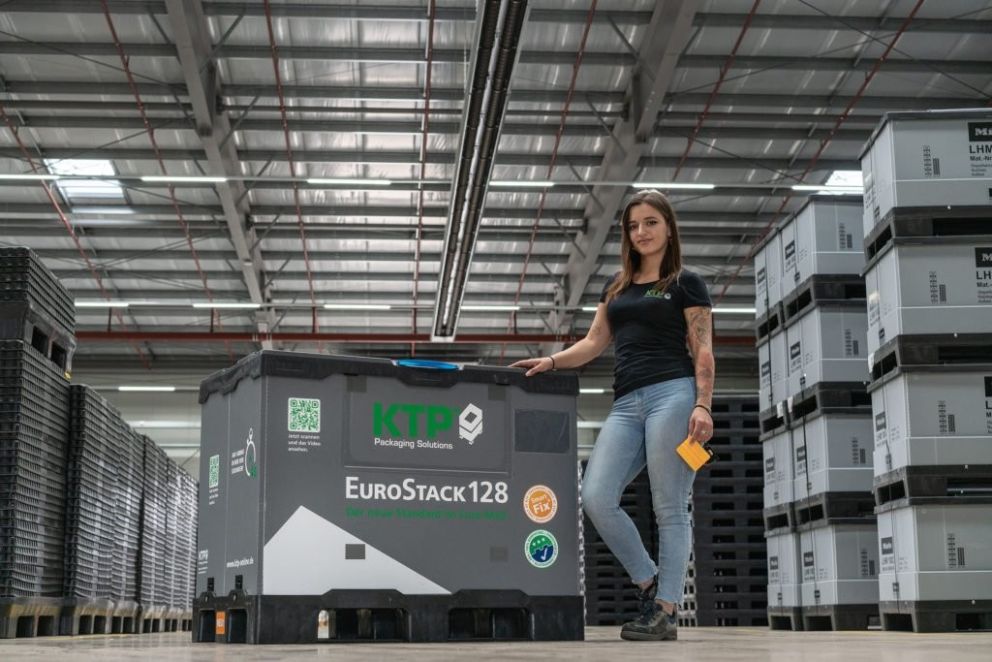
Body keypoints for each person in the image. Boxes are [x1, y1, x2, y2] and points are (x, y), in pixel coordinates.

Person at [511, 189, 715, 641]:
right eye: (633, 225)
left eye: (650, 223)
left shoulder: (686, 283)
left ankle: (664, 610)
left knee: (669, 507)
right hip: (625, 403)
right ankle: (649, 585)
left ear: (668, 227)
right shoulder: (616, 286)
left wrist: (703, 404)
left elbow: (703, 351)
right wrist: (552, 361)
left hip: (673, 395)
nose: (641, 232)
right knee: (596, 496)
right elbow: (593, 342)